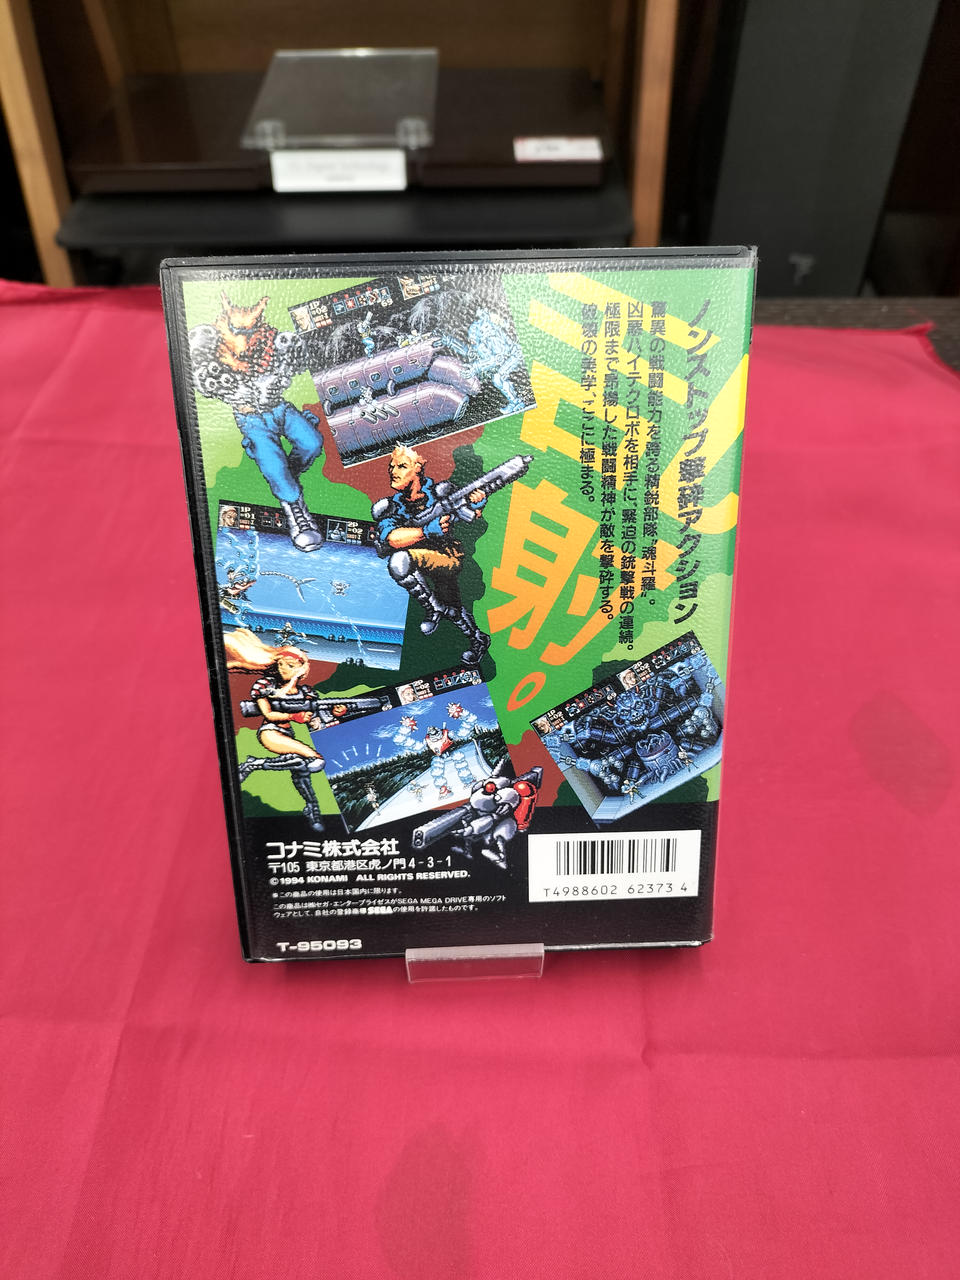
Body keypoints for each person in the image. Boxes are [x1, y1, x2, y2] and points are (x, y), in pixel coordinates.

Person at [190, 294, 325, 552]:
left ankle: (285, 478)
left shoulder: (272, 344)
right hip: (253, 420)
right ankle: (297, 513)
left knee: (311, 442)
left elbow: (294, 361)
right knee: (274, 466)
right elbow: (206, 383)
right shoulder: (211, 353)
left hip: (280, 408)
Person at [371, 445, 490, 662]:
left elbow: (471, 516)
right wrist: (426, 531)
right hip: (418, 558)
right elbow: (392, 538)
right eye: (391, 466)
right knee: (401, 562)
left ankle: (445, 615)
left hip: (447, 556)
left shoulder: (440, 493)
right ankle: (440, 611)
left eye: (401, 466)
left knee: (452, 606)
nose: (393, 472)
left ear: (418, 469)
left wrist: (477, 502)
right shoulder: (390, 507)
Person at [223, 627, 326, 830]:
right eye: (280, 664)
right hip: (270, 731)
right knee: (315, 759)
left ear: (301, 667)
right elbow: (269, 714)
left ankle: (312, 808)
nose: (283, 669)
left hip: (287, 733)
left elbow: (313, 717)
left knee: (301, 771)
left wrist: (313, 721)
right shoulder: (266, 685)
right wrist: (294, 715)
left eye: (289, 665)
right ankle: (253, 765)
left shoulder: (306, 692)